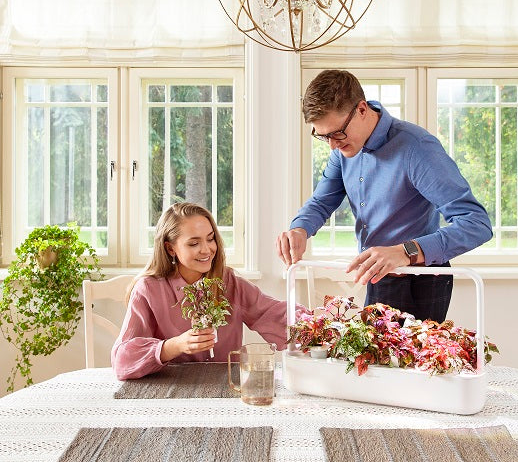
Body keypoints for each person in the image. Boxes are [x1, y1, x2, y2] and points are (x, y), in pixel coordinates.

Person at [276, 69, 492, 323]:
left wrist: (406, 251)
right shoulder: (343, 149)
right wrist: (300, 230)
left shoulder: (416, 148)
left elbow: (477, 224)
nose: (332, 145)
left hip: (420, 279)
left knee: (413, 362)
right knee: (370, 361)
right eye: (323, 136)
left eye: (337, 133)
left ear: (362, 110)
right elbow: (322, 200)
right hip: (380, 276)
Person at [112, 202, 290, 381]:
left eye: (210, 239)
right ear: (170, 248)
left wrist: (313, 322)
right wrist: (174, 346)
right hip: (171, 393)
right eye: (194, 243)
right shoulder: (148, 289)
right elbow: (121, 361)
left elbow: (274, 314)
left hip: (226, 390)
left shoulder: (229, 282)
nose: (206, 250)